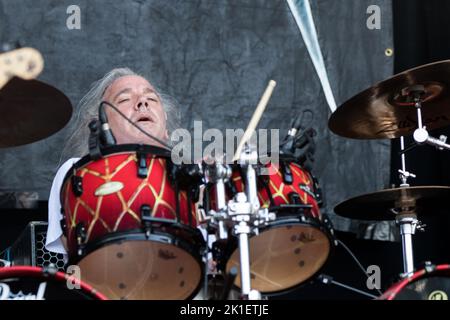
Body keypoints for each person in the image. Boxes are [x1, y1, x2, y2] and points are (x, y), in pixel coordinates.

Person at [45, 68, 180, 257]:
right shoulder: (78, 171)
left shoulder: (189, 177)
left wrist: (209, 188)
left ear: (166, 128)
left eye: (152, 99)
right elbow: (73, 245)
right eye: (124, 99)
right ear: (101, 125)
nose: (143, 102)